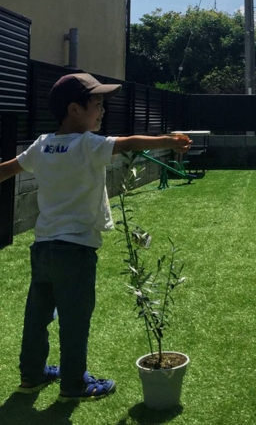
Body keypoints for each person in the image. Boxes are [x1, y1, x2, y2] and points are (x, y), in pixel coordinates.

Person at [0, 73, 192, 402]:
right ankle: (74, 385)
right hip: (74, 251)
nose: (102, 110)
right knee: (74, 320)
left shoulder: (42, 144)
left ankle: (30, 377)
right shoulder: (88, 145)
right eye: (97, 103)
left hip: (42, 248)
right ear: (74, 109)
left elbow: (5, 170)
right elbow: (129, 143)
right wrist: (170, 141)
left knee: (37, 316)